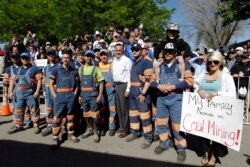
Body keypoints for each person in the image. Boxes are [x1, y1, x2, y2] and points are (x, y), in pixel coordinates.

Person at [150, 42, 193, 163]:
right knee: (162, 123)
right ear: (163, 52)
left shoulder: (182, 65)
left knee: (177, 125)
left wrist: (173, 86)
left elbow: (189, 81)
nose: (168, 53)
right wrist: (159, 86)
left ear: (175, 53)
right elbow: (151, 81)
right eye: (166, 51)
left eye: (171, 51)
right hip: (161, 99)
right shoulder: (158, 66)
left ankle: (180, 148)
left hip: (176, 99)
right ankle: (164, 144)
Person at [196, 51, 236, 166]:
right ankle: (206, 154)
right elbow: (196, 90)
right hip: (203, 113)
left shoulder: (226, 77)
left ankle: (213, 157)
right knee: (203, 135)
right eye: (210, 62)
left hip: (220, 114)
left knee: (218, 136)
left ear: (220, 63)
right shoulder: (202, 76)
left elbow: (233, 95)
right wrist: (199, 91)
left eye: (215, 62)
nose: (212, 64)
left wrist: (217, 93)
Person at [125, 43, 154, 149]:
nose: (134, 51)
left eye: (136, 50)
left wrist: (143, 93)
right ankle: (135, 132)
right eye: (132, 50)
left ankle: (148, 137)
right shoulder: (134, 62)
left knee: (145, 116)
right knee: (133, 115)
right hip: (133, 92)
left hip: (141, 93)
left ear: (142, 51)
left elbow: (148, 80)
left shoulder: (146, 62)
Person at [49, 49, 80, 149]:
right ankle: (55, 138)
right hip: (60, 98)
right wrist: (54, 95)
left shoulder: (74, 70)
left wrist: (75, 94)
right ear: (62, 58)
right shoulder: (56, 70)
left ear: (71, 58)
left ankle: (71, 134)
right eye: (64, 58)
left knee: (70, 117)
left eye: (67, 58)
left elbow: (78, 84)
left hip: (71, 97)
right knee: (57, 118)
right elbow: (51, 84)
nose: (66, 59)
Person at [8, 52, 42, 134]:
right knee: (18, 110)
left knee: (34, 110)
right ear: (21, 59)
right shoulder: (18, 69)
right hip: (19, 94)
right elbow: (12, 81)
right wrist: (10, 91)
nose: (25, 60)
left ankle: (36, 125)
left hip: (30, 93)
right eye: (23, 58)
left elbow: (40, 80)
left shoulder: (35, 69)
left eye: (26, 58)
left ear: (29, 59)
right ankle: (19, 126)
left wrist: (37, 91)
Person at [79, 50, 104, 143]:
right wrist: (80, 96)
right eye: (87, 56)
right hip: (84, 95)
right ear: (84, 57)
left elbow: (101, 83)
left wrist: (100, 95)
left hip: (93, 95)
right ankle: (89, 129)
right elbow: (79, 83)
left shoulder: (96, 69)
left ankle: (95, 132)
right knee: (86, 114)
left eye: (90, 56)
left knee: (95, 115)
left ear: (92, 58)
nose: (88, 58)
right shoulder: (80, 69)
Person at [112, 43, 132, 138]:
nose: (118, 52)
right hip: (116, 85)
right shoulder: (114, 60)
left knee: (124, 109)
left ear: (123, 50)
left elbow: (129, 76)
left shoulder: (127, 60)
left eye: (120, 50)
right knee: (119, 108)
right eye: (117, 50)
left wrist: (128, 89)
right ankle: (122, 126)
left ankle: (126, 129)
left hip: (124, 85)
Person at [98, 49, 117, 136]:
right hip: (101, 92)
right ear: (99, 56)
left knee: (112, 109)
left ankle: (112, 127)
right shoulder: (97, 66)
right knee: (102, 110)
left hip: (110, 91)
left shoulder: (111, 65)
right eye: (102, 55)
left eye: (105, 54)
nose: (104, 56)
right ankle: (103, 127)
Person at [41, 51, 59, 136]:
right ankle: (49, 126)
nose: (51, 56)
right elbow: (44, 80)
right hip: (48, 92)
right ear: (47, 57)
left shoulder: (59, 66)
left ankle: (58, 126)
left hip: (57, 92)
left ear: (55, 56)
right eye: (49, 55)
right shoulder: (46, 68)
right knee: (49, 109)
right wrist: (44, 90)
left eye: (52, 54)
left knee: (58, 109)